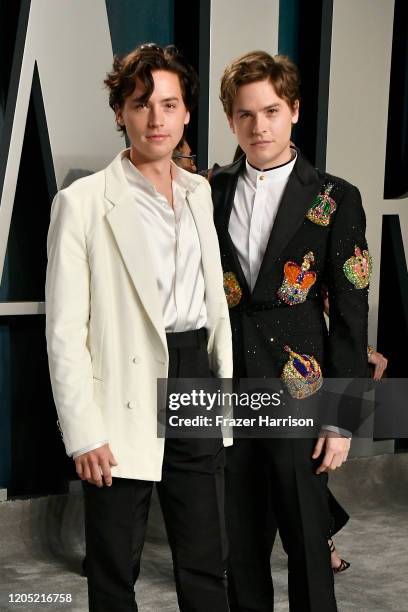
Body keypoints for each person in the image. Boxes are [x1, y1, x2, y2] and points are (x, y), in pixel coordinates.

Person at [45, 43, 232, 612]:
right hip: (122, 387)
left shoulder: (200, 193)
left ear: (186, 115)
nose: (157, 118)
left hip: (195, 376)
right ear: (121, 112)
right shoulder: (81, 203)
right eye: (141, 103)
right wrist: (83, 431)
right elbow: (64, 332)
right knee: (114, 563)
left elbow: (211, 302)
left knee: (205, 553)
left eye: (169, 105)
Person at [211, 51, 371, 611]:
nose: (260, 126)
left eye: (272, 111)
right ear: (231, 120)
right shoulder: (208, 190)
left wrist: (343, 417)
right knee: (240, 545)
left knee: (306, 537)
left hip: (301, 391)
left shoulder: (335, 196)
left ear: (294, 111)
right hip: (227, 388)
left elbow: (352, 312)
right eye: (246, 115)